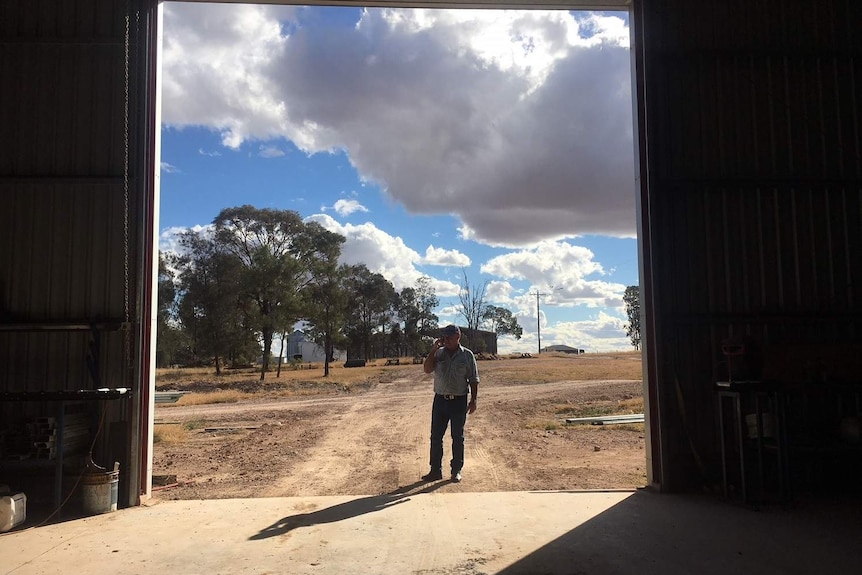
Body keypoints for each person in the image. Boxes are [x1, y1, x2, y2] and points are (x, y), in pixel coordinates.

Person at [421, 324, 479, 483]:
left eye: (449, 338)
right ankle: (435, 471)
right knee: (436, 437)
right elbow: (427, 369)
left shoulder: (467, 355)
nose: (446, 340)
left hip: (459, 401)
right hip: (440, 400)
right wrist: (433, 350)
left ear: (457, 337)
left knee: (457, 437)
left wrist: (474, 400)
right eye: (444, 337)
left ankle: (456, 470)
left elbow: (473, 379)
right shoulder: (438, 354)